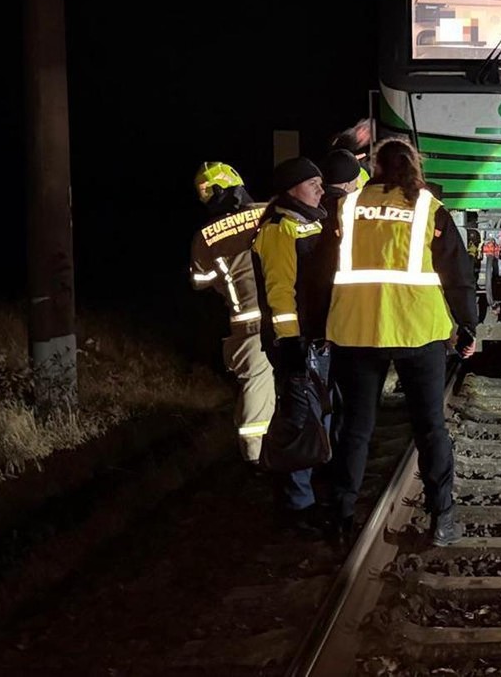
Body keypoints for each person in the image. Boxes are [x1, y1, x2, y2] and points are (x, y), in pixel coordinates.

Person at [310, 137, 478, 547]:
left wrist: (318, 328)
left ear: (376, 169)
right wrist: (468, 327)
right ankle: (442, 519)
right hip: (417, 331)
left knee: (356, 430)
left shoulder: (346, 208)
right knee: (429, 428)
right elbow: (458, 274)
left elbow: (321, 273)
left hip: (356, 332)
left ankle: (342, 515)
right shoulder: (429, 209)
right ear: (413, 166)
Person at [251, 157, 328, 528]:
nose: (320, 189)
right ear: (291, 188)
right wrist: (291, 344)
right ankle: (299, 505)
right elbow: (280, 293)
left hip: (315, 340)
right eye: (312, 183)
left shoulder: (309, 223)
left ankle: (311, 493)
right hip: (296, 345)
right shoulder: (280, 229)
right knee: (301, 419)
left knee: (317, 415)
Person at [188, 162, 274, 463]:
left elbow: (200, 282)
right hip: (283, 316)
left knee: (253, 385)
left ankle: (253, 457)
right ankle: (261, 458)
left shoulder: (205, 235)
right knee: (270, 386)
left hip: (244, 324)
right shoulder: (270, 212)